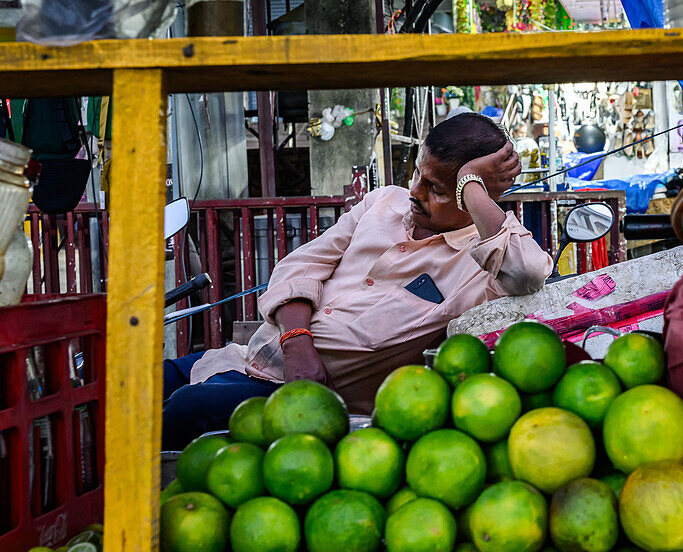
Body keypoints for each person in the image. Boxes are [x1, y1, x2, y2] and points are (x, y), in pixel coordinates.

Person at [162, 113, 553, 449]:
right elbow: (302, 266)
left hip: (304, 405)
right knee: (141, 381)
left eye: (435, 188)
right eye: (418, 173)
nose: (415, 192)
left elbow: (530, 272)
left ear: (473, 194)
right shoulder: (383, 202)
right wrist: (297, 343)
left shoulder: (482, 269)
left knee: (181, 410)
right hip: (247, 357)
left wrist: (470, 183)